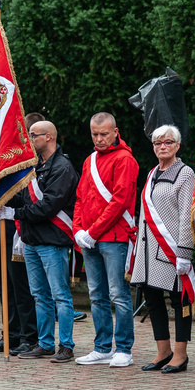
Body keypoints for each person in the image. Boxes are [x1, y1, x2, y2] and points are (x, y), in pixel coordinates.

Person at [0, 121, 79, 363]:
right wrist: (3, 199)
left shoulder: (62, 167)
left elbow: (48, 206)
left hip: (52, 240)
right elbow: (24, 197)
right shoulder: (35, 166)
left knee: (59, 295)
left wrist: (16, 214)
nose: (30, 140)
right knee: (39, 295)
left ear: (49, 137)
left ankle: (66, 346)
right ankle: (45, 343)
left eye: (33, 135)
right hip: (32, 240)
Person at [72, 113, 138, 367]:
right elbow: (80, 197)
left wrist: (92, 231)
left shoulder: (125, 159)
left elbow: (119, 201)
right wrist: (78, 229)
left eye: (104, 134)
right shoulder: (89, 160)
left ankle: (124, 349)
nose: (99, 139)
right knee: (96, 295)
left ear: (115, 132)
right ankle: (102, 347)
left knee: (118, 294)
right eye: (95, 134)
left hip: (114, 237)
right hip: (89, 238)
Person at [130, 125, 195, 374]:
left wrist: (184, 252)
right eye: (158, 143)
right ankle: (163, 351)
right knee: (153, 299)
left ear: (177, 146)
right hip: (148, 252)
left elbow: (186, 216)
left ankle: (180, 354)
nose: (162, 146)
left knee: (179, 301)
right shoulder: (151, 173)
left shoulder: (185, 173)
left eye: (168, 142)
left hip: (171, 250)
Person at [0, 217, 38, 356]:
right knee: (4, 290)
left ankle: (29, 337)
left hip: (15, 232)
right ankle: (11, 335)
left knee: (21, 289)